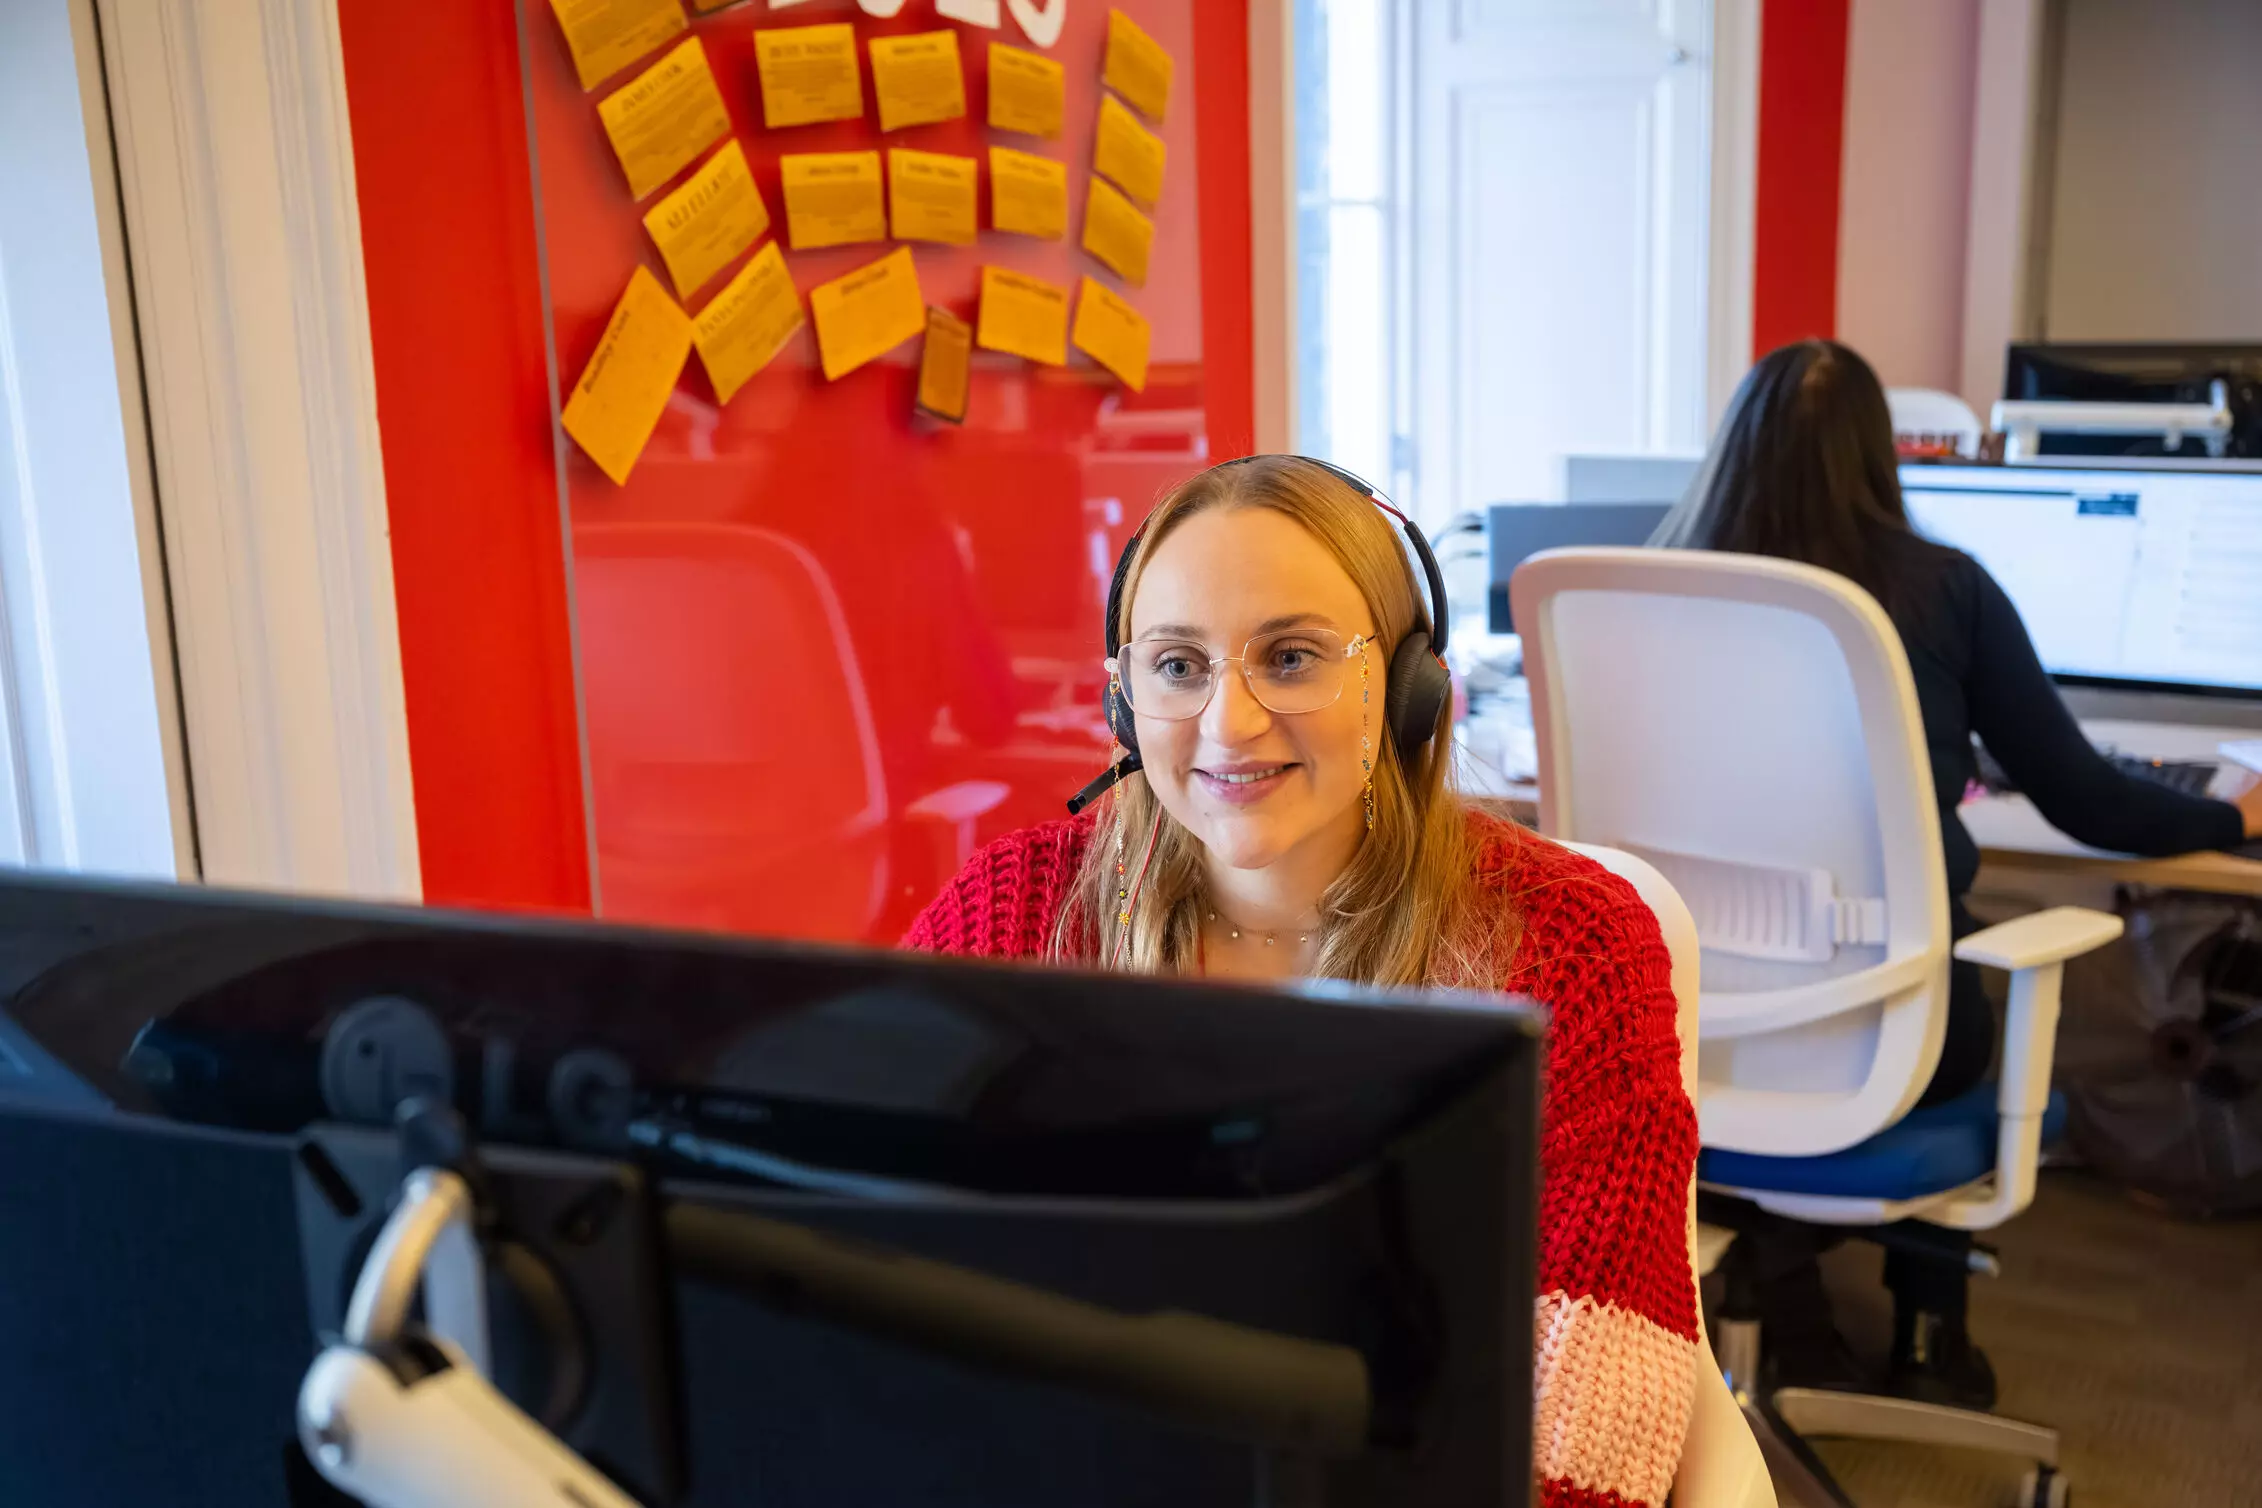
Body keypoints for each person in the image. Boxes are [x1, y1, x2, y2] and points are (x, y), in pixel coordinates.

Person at [907, 456, 1703, 1508]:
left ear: (1410, 686)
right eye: (1179, 665)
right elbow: (832, 1242)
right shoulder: (1012, 917)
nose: (1229, 722)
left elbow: (1593, 1422)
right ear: (1123, 704)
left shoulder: (1568, 949)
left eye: (1290, 657)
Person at [1656, 338, 2262, 1406]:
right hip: (1898, 1033)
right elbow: (2086, 797)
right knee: (1963, 963)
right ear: (1882, 457)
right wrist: (2227, 808)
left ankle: (1781, 1302)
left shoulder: (1651, 592)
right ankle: (1930, 1334)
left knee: (1887, 983)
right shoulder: (1945, 589)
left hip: (1694, 1025)